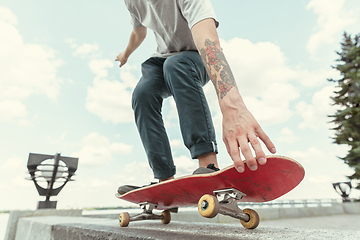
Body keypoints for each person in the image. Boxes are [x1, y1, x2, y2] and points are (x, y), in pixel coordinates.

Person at [116, 0, 276, 194]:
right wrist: (125, 54)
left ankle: (208, 167)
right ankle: (164, 178)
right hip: (161, 59)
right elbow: (138, 32)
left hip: (195, 57)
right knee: (142, 94)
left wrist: (232, 105)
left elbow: (208, 41)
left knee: (176, 65)